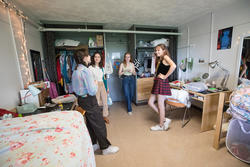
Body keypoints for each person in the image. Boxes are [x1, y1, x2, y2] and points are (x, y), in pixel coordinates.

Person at [72, 50, 119, 155]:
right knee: (99, 123)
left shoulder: (75, 70)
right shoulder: (86, 71)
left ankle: (94, 144)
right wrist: (95, 83)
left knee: (90, 122)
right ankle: (105, 148)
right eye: (88, 56)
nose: (90, 57)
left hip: (81, 100)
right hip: (89, 99)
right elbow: (93, 90)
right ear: (84, 58)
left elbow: (74, 88)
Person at [148, 44, 176, 131]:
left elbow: (173, 66)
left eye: (159, 50)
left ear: (164, 50)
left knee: (160, 105)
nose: (157, 52)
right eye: (156, 50)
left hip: (162, 82)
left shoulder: (166, 57)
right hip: (157, 81)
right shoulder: (160, 59)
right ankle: (164, 119)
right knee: (150, 102)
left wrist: (165, 76)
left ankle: (161, 125)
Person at [89, 52, 109, 123]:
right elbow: (89, 79)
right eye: (95, 57)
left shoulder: (102, 68)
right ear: (93, 58)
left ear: (100, 59)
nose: (97, 58)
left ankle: (105, 116)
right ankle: (97, 117)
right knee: (96, 102)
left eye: (98, 57)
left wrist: (107, 88)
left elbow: (104, 78)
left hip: (102, 84)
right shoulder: (90, 68)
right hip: (95, 85)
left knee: (105, 101)